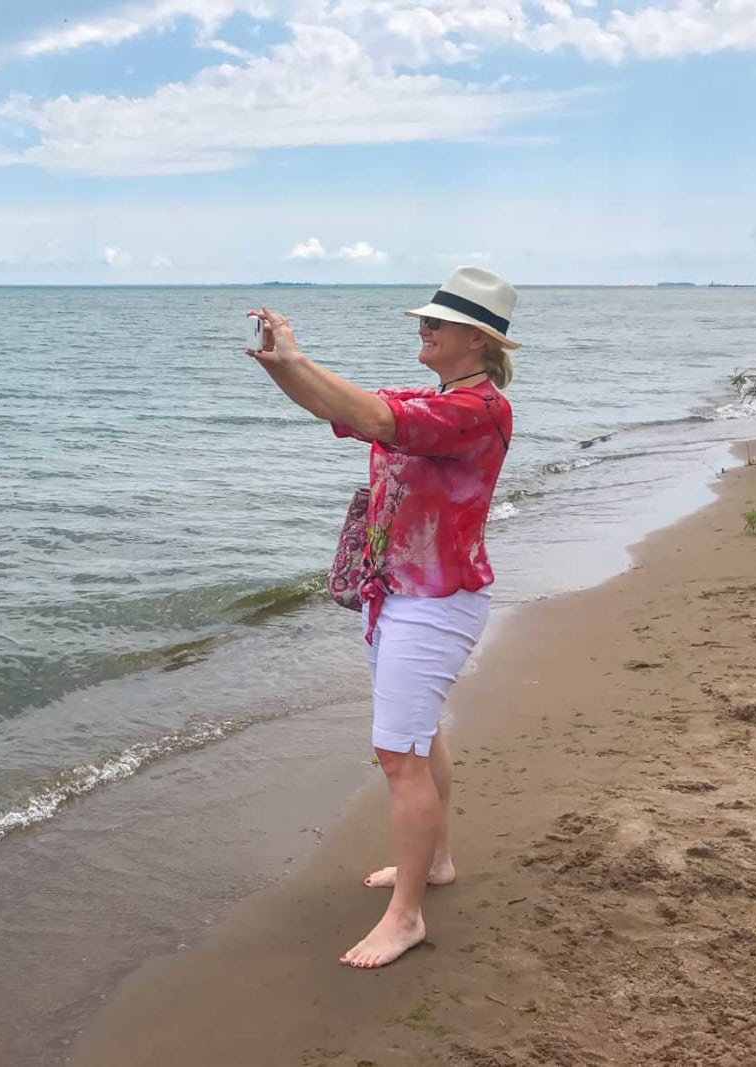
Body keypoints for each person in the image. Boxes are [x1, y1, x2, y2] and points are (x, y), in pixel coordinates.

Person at [246, 266, 519, 969]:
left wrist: (299, 358)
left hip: (435, 601)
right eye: (422, 320)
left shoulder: (476, 410)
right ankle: (434, 863)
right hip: (398, 594)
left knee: (399, 755)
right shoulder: (437, 399)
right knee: (417, 739)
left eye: (434, 322)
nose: (421, 329)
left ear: (475, 339)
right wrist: (282, 364)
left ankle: (405, 918)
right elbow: (340, 411)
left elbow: (374, 417)